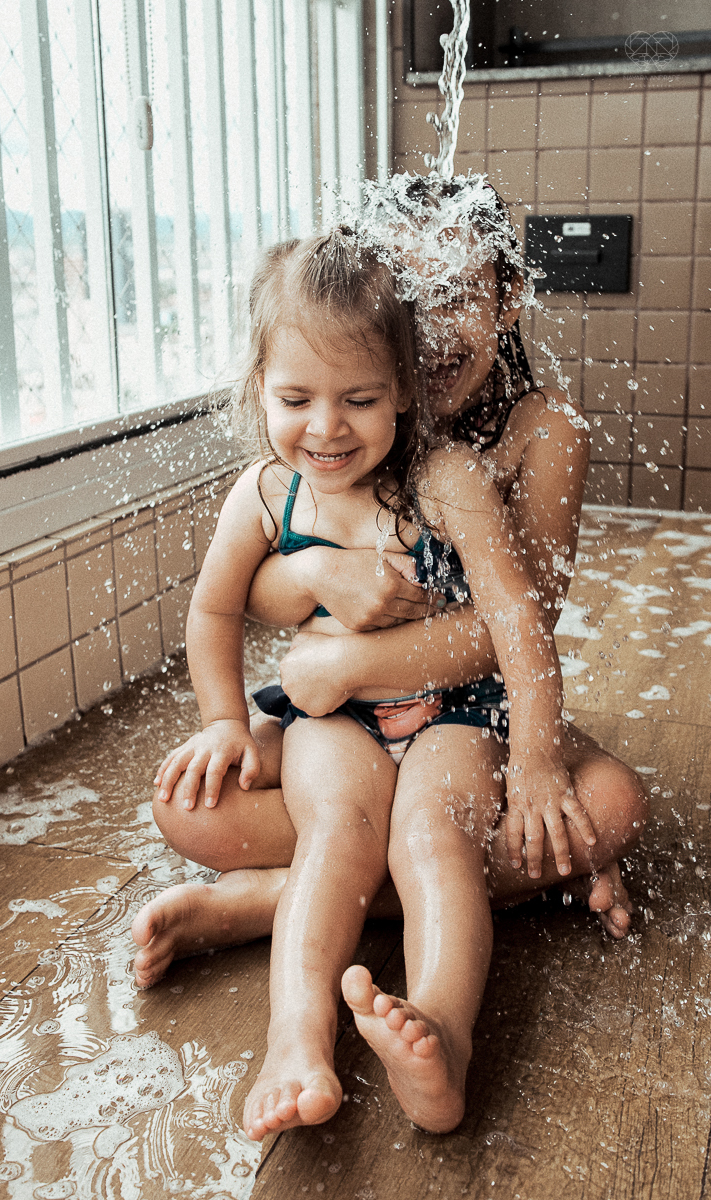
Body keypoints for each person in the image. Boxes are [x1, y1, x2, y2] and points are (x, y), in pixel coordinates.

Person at [131, 176, 648, 1132]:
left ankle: (276, 909)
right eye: (412, 295)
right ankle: (312, 997)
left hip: (469, 706)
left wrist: (342, 668)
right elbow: (235, 594)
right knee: (195, 805)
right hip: (342, 730)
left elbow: (513, 628)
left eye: (460, 289)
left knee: (594, 810)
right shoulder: (314, 443)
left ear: (508, 294)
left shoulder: (520, 442)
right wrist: (321, 579)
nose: (437, 322)